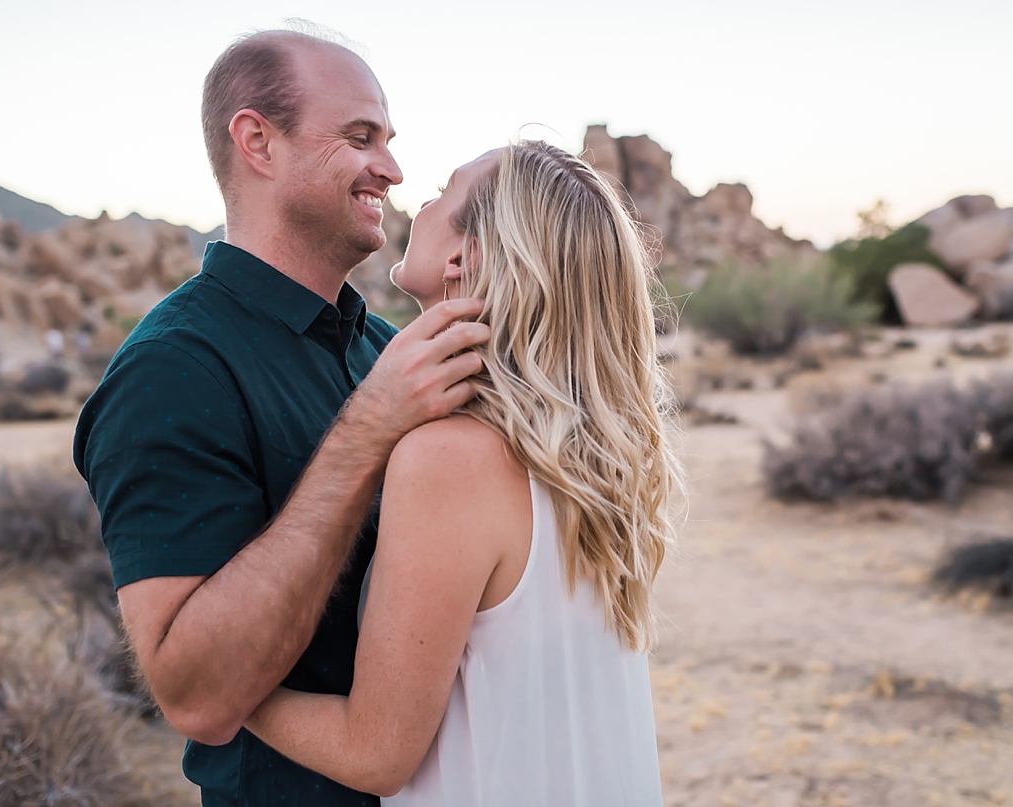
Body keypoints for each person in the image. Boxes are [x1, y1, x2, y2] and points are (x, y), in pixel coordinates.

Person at [73, 28, 489, 807]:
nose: (394, 171)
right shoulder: (170, 371)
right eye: (361, 137)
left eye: (389, 143)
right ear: (257, 141)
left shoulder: (386, 348)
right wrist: (366, 431)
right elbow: (196, 695)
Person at [243, 141, 684, 806]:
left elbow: (376, 753)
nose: (417, 201)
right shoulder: (592, 455)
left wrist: (224, 695)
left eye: (443, 191)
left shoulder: (453, 459)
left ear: (464, 256)